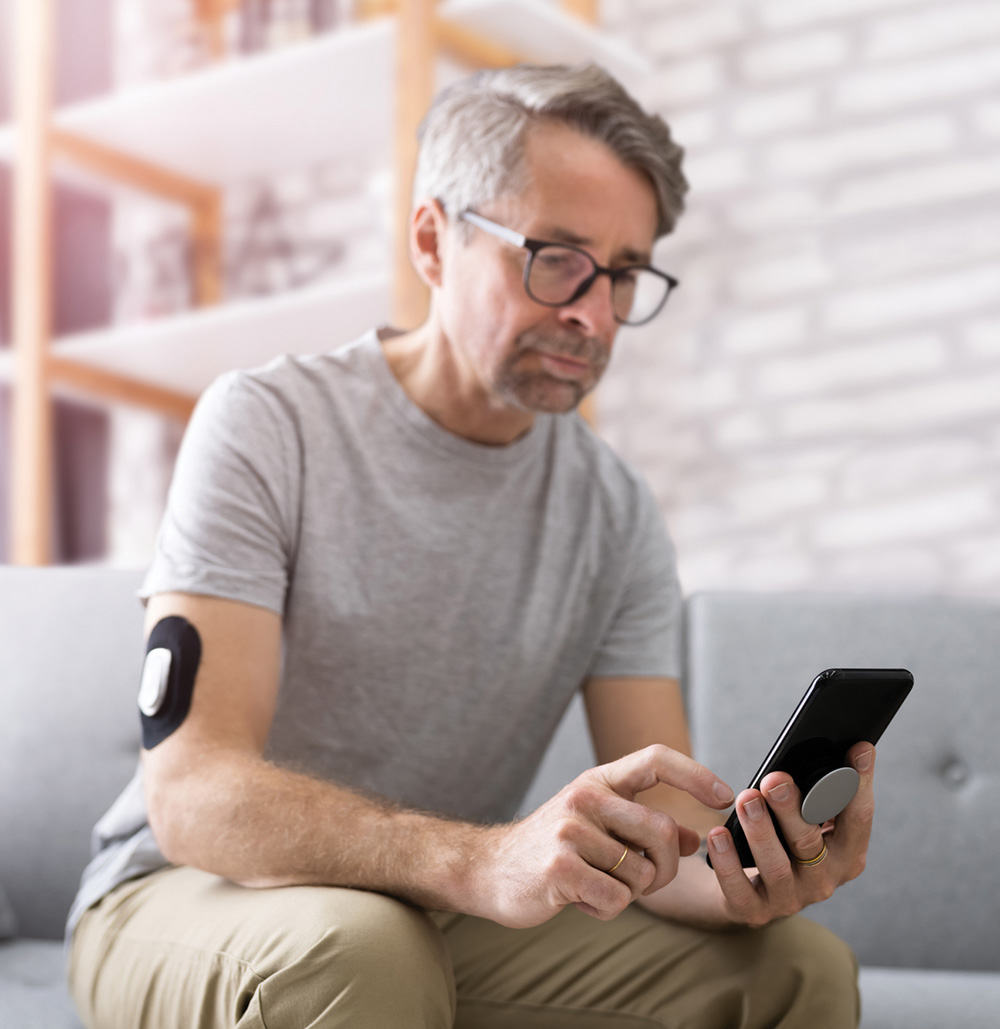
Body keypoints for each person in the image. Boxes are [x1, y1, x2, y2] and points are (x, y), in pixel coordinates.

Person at [67, 63, 871, 1029]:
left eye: (623, 274)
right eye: (558, 259)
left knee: (795, 968)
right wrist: (481, 859)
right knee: (364, 951)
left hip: (432, 906)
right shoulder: (267, 424)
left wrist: (754, 873)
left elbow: (666, 841)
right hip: (180, 889)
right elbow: (192, 793)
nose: (593, 314)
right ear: (432, 241)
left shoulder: (614, 511)